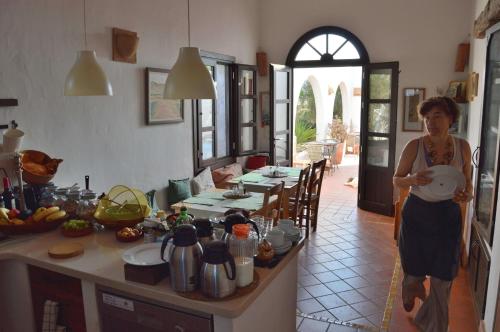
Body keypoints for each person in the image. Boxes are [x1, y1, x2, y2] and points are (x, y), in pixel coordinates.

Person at [393, 96, 472, 332]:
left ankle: (434, 325)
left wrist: (467, 195)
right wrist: (413, 180)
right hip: (417, 213)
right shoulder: (414, 147)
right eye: (427, 118)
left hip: (448, 217)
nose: (431, 122)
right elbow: (397, 179)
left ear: (450, 118)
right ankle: (412, 288)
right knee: (413, 266)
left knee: (443, 276)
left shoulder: (463, 147)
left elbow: (468, 183)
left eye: (437, 116)